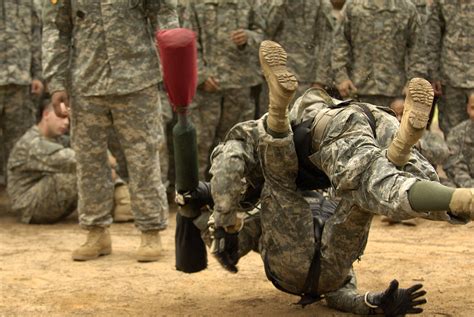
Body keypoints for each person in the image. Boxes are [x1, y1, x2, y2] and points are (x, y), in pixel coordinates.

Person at [186, 41, 473, 315]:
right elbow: (340, 294)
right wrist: (374, 303)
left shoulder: (267, 203)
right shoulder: (289, 200)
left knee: (295, 185)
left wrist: (376, 303)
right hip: (325, 269)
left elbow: (231, 248)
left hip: (299, 269)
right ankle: (401, 154)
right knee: (359, 194)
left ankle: (278, 118)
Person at [42, 1, 179, 262]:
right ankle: (96, 232)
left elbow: (163, 12)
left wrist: (172, 65)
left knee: (144, 156)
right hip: (86, 82)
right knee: (89, 161)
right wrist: (56, 81)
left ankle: (151, 230)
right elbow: (55, 28)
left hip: (137, 80)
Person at [7, 93, 131, 224]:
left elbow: (88, 147)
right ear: (46, 114)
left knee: (90, 155)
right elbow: (77, 160)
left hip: (44, 198)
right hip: (30, 207)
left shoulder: (58, 138)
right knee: (85, 169)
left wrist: (105, 159)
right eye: (61, 117)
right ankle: (120, 201)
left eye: (68, 118)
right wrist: (107, 163)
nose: (66, 122)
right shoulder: (33, 143)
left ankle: (121, 203)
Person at [182, 1, 265, 180]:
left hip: (239, 84)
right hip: (206, 87)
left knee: (236, 143)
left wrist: (248, 37)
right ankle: (196, 196)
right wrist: (201, 76)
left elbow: (263, 34)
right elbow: (188, 41)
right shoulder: (195, 4)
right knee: (199, 143)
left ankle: (233, 194)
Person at [332, 0, 427, 108]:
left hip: (396, 94)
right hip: (358, 90)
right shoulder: (353, 6)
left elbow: (418, 50)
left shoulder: (407, 9)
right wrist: (341, 77)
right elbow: (340, 43)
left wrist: (413, 83)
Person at [0, 0, 44, 187]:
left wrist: (37, 75)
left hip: (19, 81)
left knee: (19, 141)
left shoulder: (28, 3)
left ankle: (17, 191)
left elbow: (36, 39)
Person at [426, 0, 474, 135]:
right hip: (450, 77)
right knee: (452, 131)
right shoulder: (441, 3)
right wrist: (434, 74)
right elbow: (433, 38)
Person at [443, 95, 474, 188]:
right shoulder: (457, 134)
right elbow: (454, 167)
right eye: (473, 108)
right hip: (466, 188)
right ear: (467, 109)